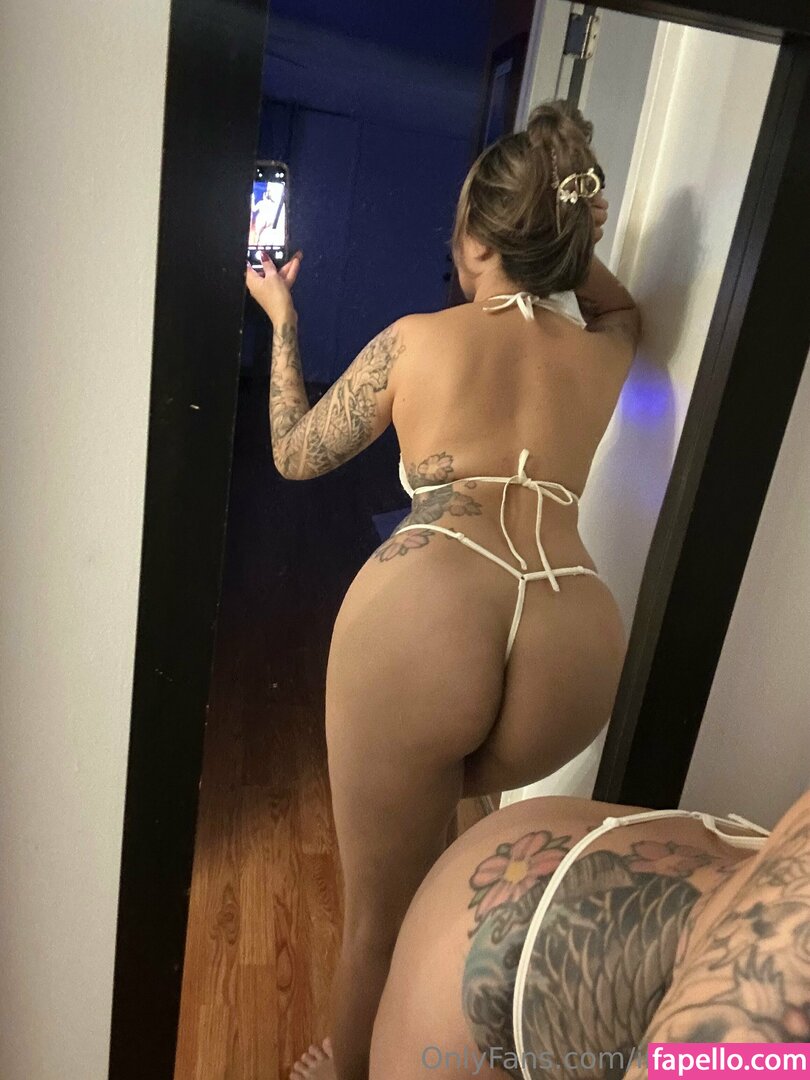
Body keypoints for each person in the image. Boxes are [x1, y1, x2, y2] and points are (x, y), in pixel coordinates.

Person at [245, 101, 642, 1080]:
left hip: (433, 609)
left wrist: (283, 320)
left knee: (377, 917)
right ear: (563, 238)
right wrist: (568, 240)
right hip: (573, 633)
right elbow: (619, 307)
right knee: (469, 862)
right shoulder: (603, 348)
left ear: (474, 240)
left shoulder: (418, 340)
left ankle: (352, 1070)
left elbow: (294, 453)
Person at [370, 790, 810, 1079]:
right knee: (368, 937)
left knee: (369, 933)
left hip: (582, 853)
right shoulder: (769, 1015)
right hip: (497, 973)